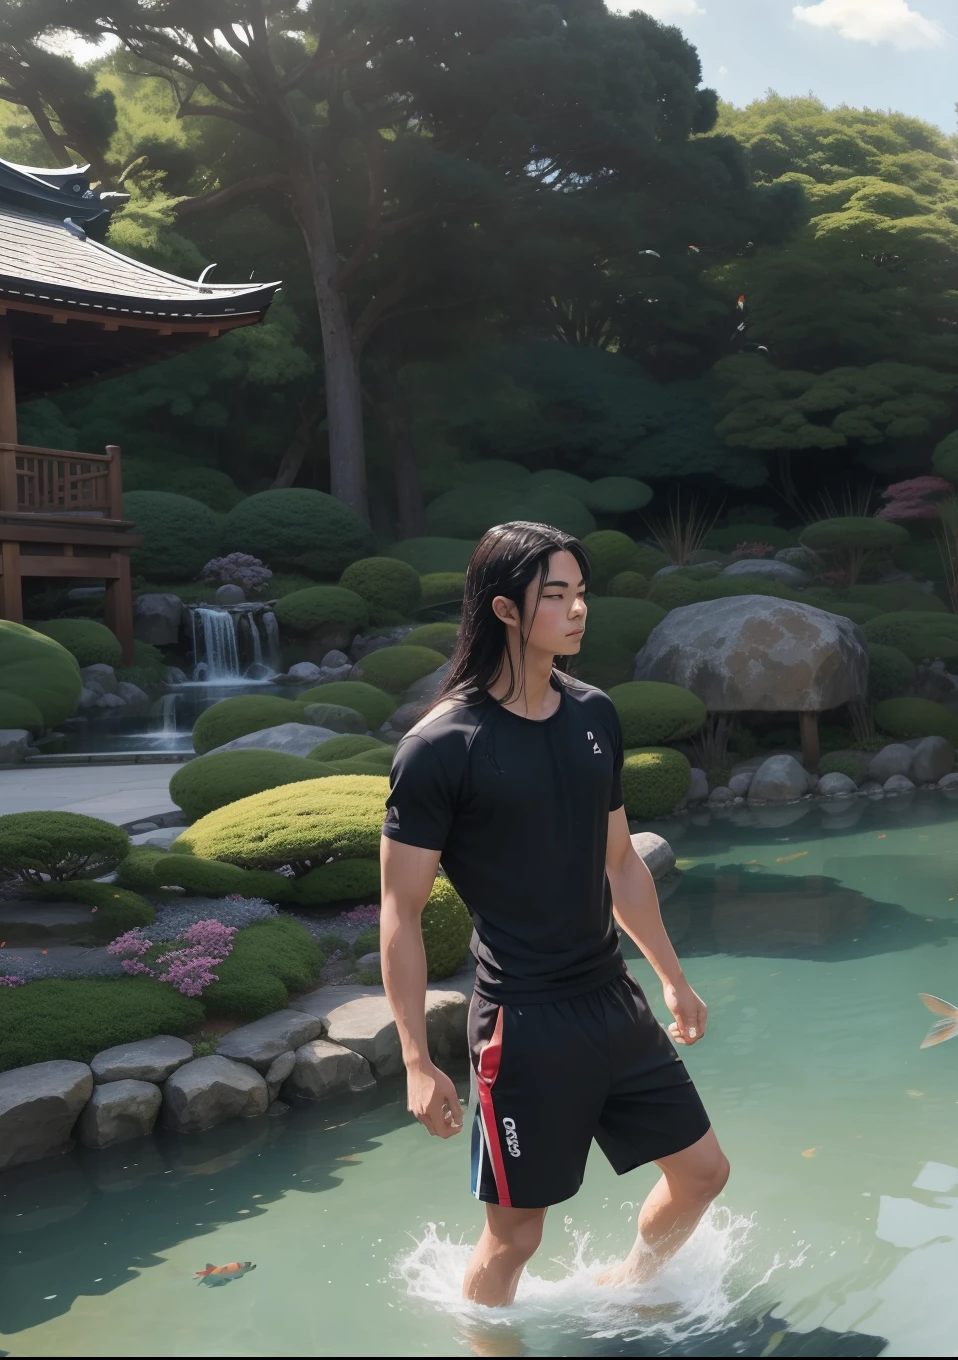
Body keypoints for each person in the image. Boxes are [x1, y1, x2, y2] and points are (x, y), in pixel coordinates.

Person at [380, 520, 728, 1306]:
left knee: (704, 1173)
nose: (578, 611)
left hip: (611, 999)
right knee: (517, 1236)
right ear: (505, 610)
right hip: (522, 1023)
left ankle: (629, 1291)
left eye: (582, 594)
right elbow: (400, 912)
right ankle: (484, 1336)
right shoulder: (441, 747)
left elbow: (620, 864)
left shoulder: (593, 716)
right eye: (557, 596)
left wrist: (671, 977)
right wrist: (414, 1057)